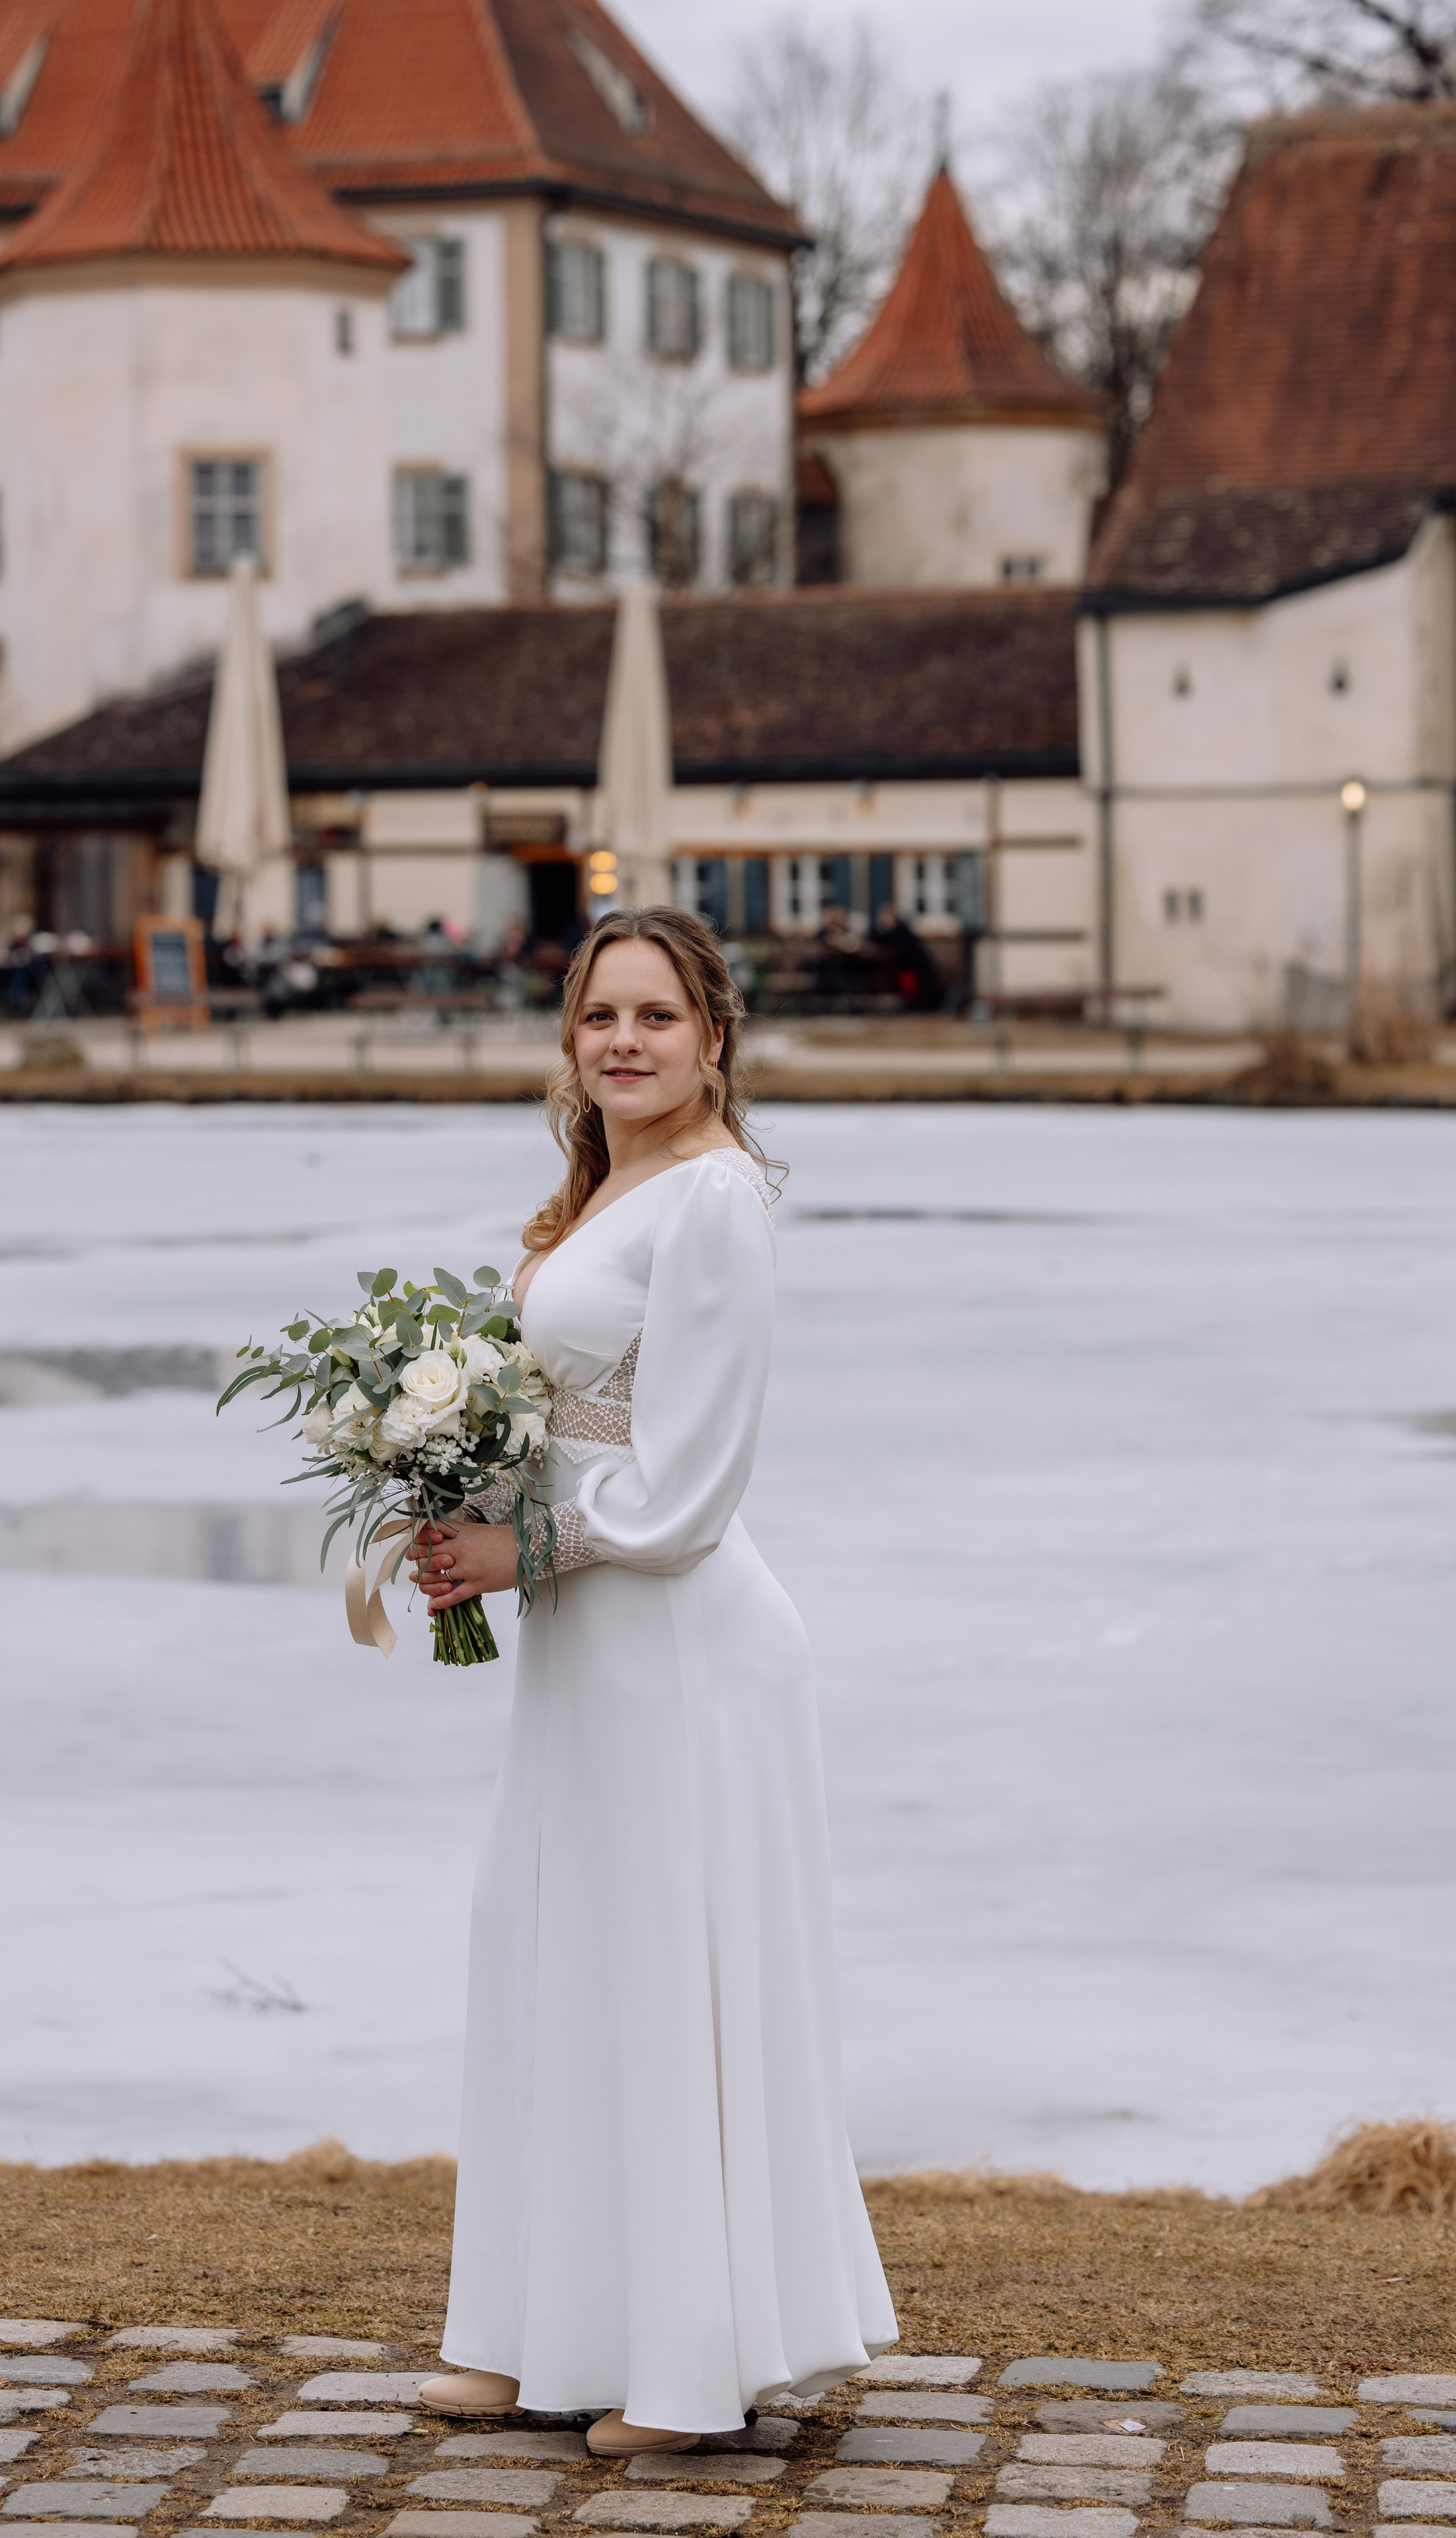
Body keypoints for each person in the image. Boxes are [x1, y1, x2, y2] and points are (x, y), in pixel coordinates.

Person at [409, 905, 896, 2455]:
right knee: (545, 1953)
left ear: (713, 1036)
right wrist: (449, 1494)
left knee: (655, 1976)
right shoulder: (599, 1191)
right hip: (580, 1641)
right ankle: (520, 2328)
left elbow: (685, 1488)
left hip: (678, 1642)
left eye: (656, 1017)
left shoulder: (718, 1202)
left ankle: (687, 2367)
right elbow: (557, 1405)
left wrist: (517, 1545)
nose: (624, 1040)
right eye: (599, 1015)